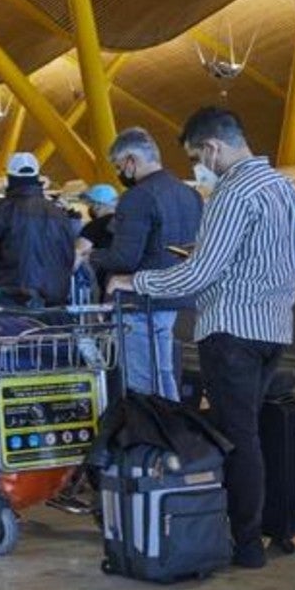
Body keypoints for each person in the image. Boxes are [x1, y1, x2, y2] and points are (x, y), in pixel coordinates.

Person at [107, 107, 295, 570]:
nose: (202, 164)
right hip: (274, 328)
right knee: (248, 429)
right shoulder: (286, 188)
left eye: (199, 155)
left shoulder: (232, 192)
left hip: (232, 331)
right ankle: (259, 523)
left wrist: (135, 283)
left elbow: (199, 274)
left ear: (213, 147)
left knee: (238, 436)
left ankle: (247, 542)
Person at [87, 128, 204, 401]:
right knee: (163, 374)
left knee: (141, 383)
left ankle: (148, 440)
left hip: (138, 301)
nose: (120, 173)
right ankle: (171, 434)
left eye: (119, 166)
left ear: (131, 161)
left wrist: (91, 257)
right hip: (175, 297)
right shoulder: (190, 195)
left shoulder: (137, 197)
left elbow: (125, 258)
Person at [0, 152, 75, 307]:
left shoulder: (1, 209)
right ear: (37, 176)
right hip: (54, 298)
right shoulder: (58, 212)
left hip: (12, 295)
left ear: (10, 178)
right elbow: (68, 254)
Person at [76, 184, 119, 253]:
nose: (90, 207)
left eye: (90, 203)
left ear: (97, 205)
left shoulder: (95, 226)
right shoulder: (126, 221)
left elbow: (79, 253)